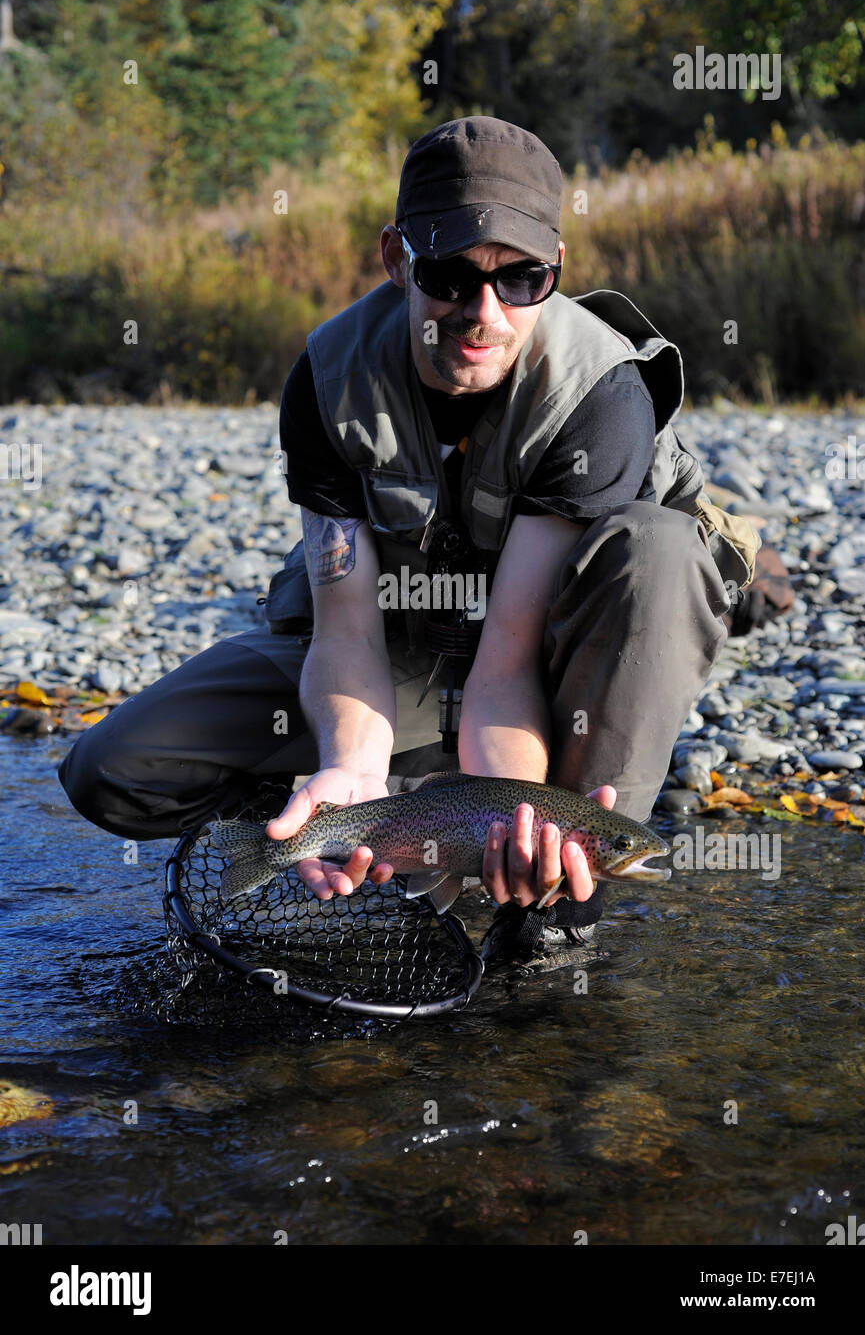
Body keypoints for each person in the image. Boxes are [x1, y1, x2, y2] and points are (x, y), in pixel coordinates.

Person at [57, 116, 758, 966]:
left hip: (539, 662)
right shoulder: (327, 377)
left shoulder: (600, 394)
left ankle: (557, 903)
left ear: (556, 270)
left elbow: (508, 655)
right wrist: (350, 768)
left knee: (660, 551)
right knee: (110, 767)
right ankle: (347, 812)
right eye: (450, 275)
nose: (482, 313)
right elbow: (345, 626)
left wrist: (518, 819)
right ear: (396, 258)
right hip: (397, 654)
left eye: (521, 279)